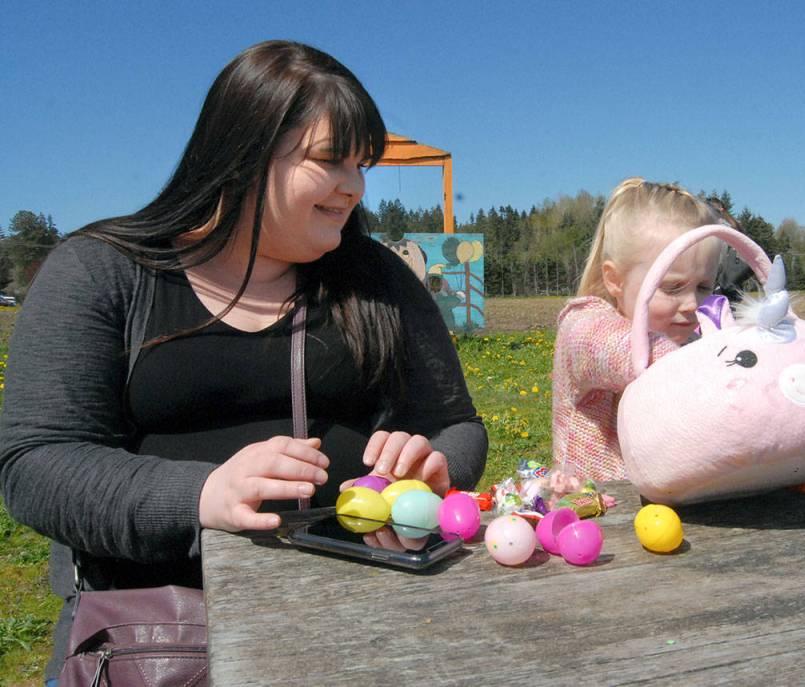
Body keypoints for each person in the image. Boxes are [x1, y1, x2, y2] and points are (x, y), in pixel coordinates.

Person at [0, 40, 488, 684]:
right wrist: (200, 494)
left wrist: (435, 463)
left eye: (361, 165)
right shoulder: (102, 273)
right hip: (163, 639)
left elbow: (457, 423)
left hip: (365, 623)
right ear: (243, 155)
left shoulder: (379, 281)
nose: (354, 187)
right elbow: (36, 462)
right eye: (329, 161)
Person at [551, 178, 724, 481]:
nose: (692, 304)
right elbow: (636, 354)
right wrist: (728, 369)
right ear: (615, 279)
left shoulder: (691, 342)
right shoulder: (583, 326)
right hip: (594, 510)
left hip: (665, 510)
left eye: (704, 287)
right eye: (672, 287)